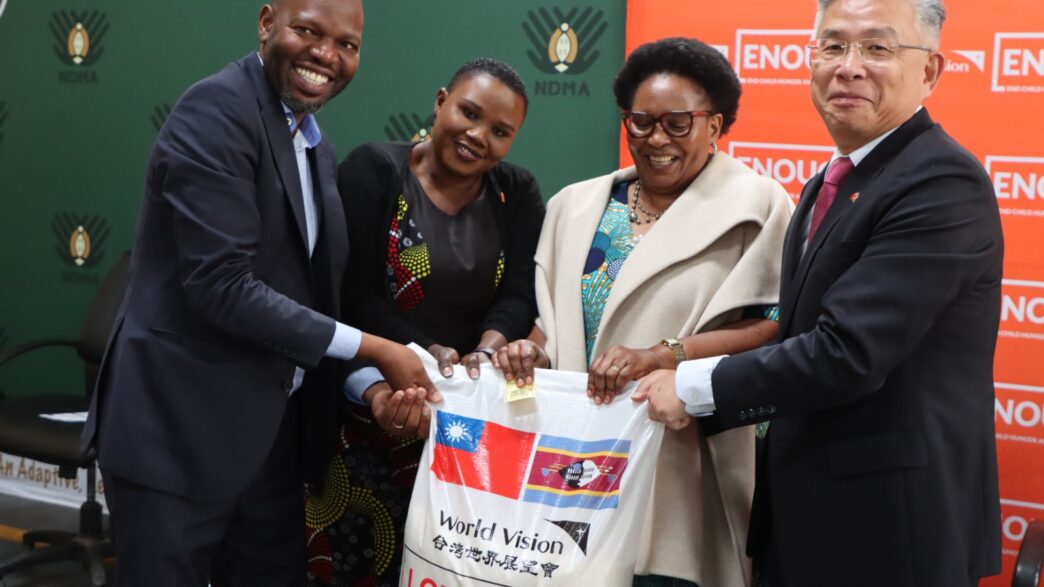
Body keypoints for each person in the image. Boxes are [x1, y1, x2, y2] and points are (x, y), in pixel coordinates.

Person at [634, 1, 1003, 585]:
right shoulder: (831, 182)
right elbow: (798, 332)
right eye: (832, 46)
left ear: (930, 71)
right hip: (805, 519)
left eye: (877, 48)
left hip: (890, 532)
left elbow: (844, 352)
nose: (849, 66)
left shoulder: (940, 181)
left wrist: (693, 386)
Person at [80, 0, 437, 584]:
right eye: (308, 31)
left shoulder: (314, 144)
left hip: (268, 443)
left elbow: (313, 304)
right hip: (176, 435)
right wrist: (375, 348)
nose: (327, 54)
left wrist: (368, 387)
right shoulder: (216, 110)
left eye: (347, 44)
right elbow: (220, 286)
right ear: (267, 23)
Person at [495, 38, 792, 587]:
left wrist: (666, 358)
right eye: (641, 122)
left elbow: (773, 326)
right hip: (572, 466)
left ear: (714, 125)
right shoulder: (575, 205)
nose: (656, 139)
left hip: (681, 465)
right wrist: (530, 349)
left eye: (678, 123)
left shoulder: (758, 207)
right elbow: (557, 320)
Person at [304, 58, 543, 585]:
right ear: (441, 102)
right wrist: (429, 353)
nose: (478, 136)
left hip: (464, 433)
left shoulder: (517, 192)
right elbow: (353, 294)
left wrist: (485, 350)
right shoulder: (374, 170)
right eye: (469, 113)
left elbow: (520, 293)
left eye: (500, 131)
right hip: (368, 413)